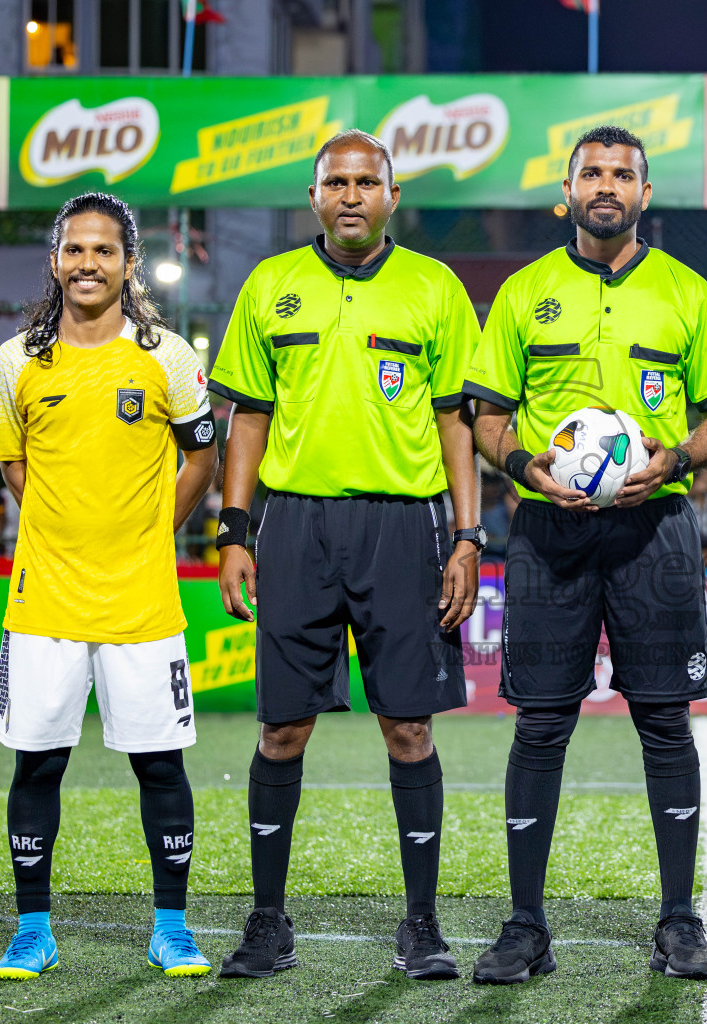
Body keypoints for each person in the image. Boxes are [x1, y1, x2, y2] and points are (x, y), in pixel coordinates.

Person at [206, 130, 481, 982]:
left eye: (368, 181)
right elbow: (246, 416)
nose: (352, 195)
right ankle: (266, 922)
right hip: (294, 527)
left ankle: (423, 925)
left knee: (407, 727)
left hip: (405, 528)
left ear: (394, 196)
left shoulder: (435, 288)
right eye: (337, 182)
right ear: (315, 196)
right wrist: (234, 529)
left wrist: (468, 537)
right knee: (280, 729)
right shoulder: (272, 284)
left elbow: (455, 424)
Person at [464, 125, 707, 985]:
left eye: (623, 174)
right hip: (548, 532)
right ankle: (524, 927)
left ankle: (680, 922)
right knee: (542, 724)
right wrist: (523, 468)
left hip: (654, 531)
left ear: (645, 194)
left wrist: (677, 461)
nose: (606, 185)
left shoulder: (687, 294)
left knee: (664, 723)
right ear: (568, 191)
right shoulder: (522, 293)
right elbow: (488, 418)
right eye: (591, 173)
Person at [0, 192, 219, 981]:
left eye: (103, 250)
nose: (88, 262)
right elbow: (13, 465)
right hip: (44, 600)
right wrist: (63, 525)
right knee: (36, 765)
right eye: (74, 250)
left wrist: (153, 528)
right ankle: (32, 930)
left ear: (128, 263)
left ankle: (172, 928)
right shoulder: (17, 360)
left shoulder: (170, 358)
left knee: (160, 765)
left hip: (142, 602)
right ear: (55, 262)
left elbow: (202, 457)